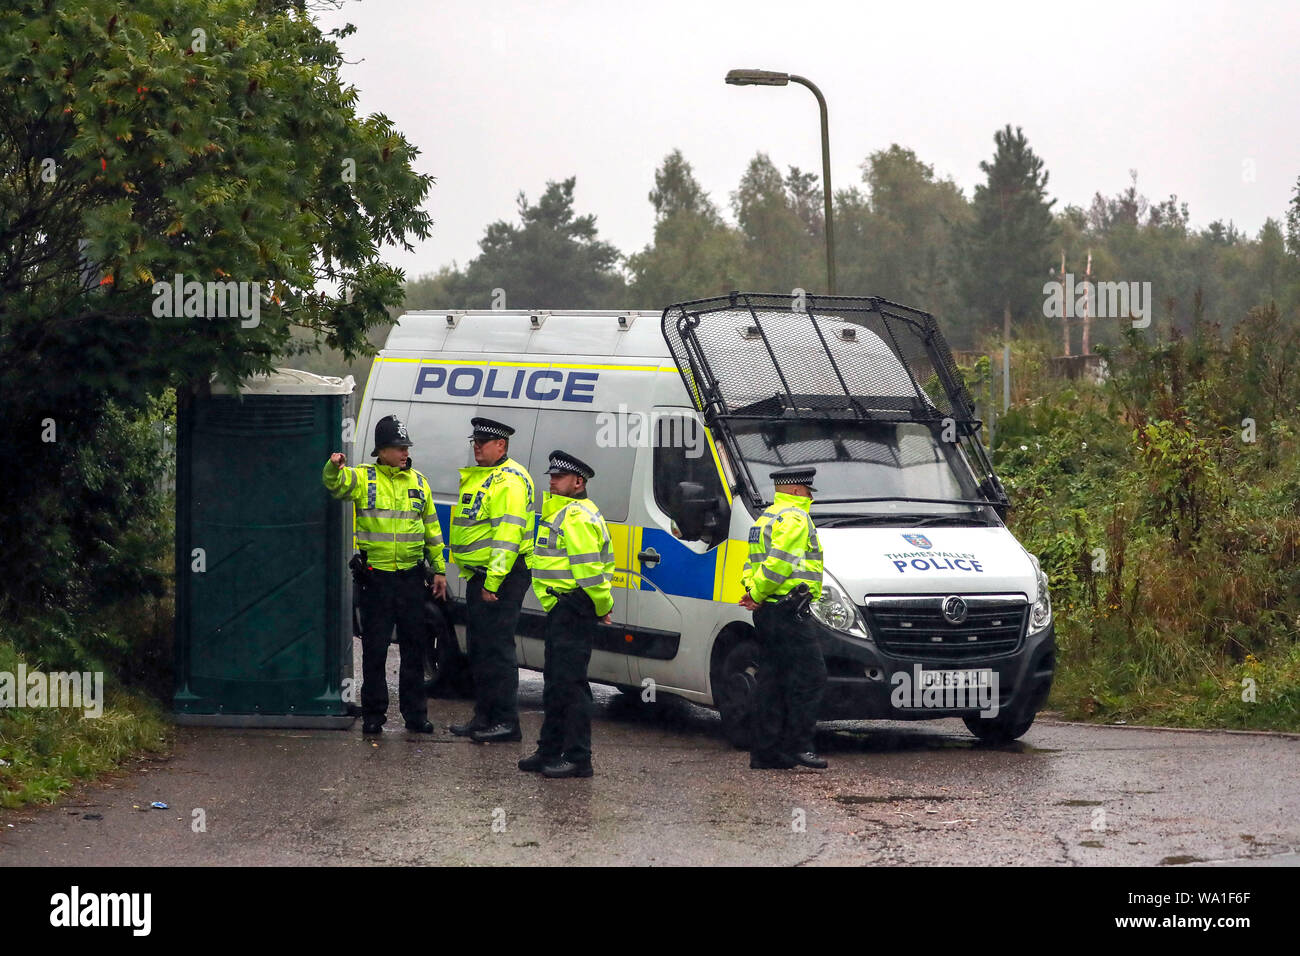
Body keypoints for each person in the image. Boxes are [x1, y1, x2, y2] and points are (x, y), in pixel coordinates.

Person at [323, 414, 446, 735]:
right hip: (376, 580)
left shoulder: (418, 482)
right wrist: (333, 466)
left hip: (410, 579)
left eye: (406, 447)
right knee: (375, 650)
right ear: (382, 450)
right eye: (398, 447)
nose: (404, 452)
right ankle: (374, 715)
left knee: (413, 650)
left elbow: (431, 528)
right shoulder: (364, 478)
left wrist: (440, 570)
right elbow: (336, 486)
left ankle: (415, 715)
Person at [519, 450, 614, 779]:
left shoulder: (577, 517)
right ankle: (549, 750)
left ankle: (578, 758)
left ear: (578, 482)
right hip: (561, 608)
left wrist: (601, 608)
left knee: (571, 686)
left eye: (559, 478)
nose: (552, 482)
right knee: (556, 684)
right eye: (551, 477)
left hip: (573, 607)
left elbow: (590, 573)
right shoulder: (561, 512)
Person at [447, 417, 535, 743]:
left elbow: (507, 537)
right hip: (481, 576)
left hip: (501, 578)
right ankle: (483, 717)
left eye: (483, 442)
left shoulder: (508, 481)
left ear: (501, 445)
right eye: (475, 441)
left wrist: (493, 582)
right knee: (480, 649)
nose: (476, 446)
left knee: (498, 650)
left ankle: (506, 722)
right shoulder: (485, 476)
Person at [739, 467, 828, 770]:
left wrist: (753, 592)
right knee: (811, 677)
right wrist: (759, 592)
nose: (810, 497)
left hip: (768, 612)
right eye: (806, 491)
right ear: (793, 491)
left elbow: (752, 563)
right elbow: (781, 563)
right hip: (789, 611)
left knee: (772, 681)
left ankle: (766, 752)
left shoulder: (764, 518)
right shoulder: (794, 517)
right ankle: (799, 746)